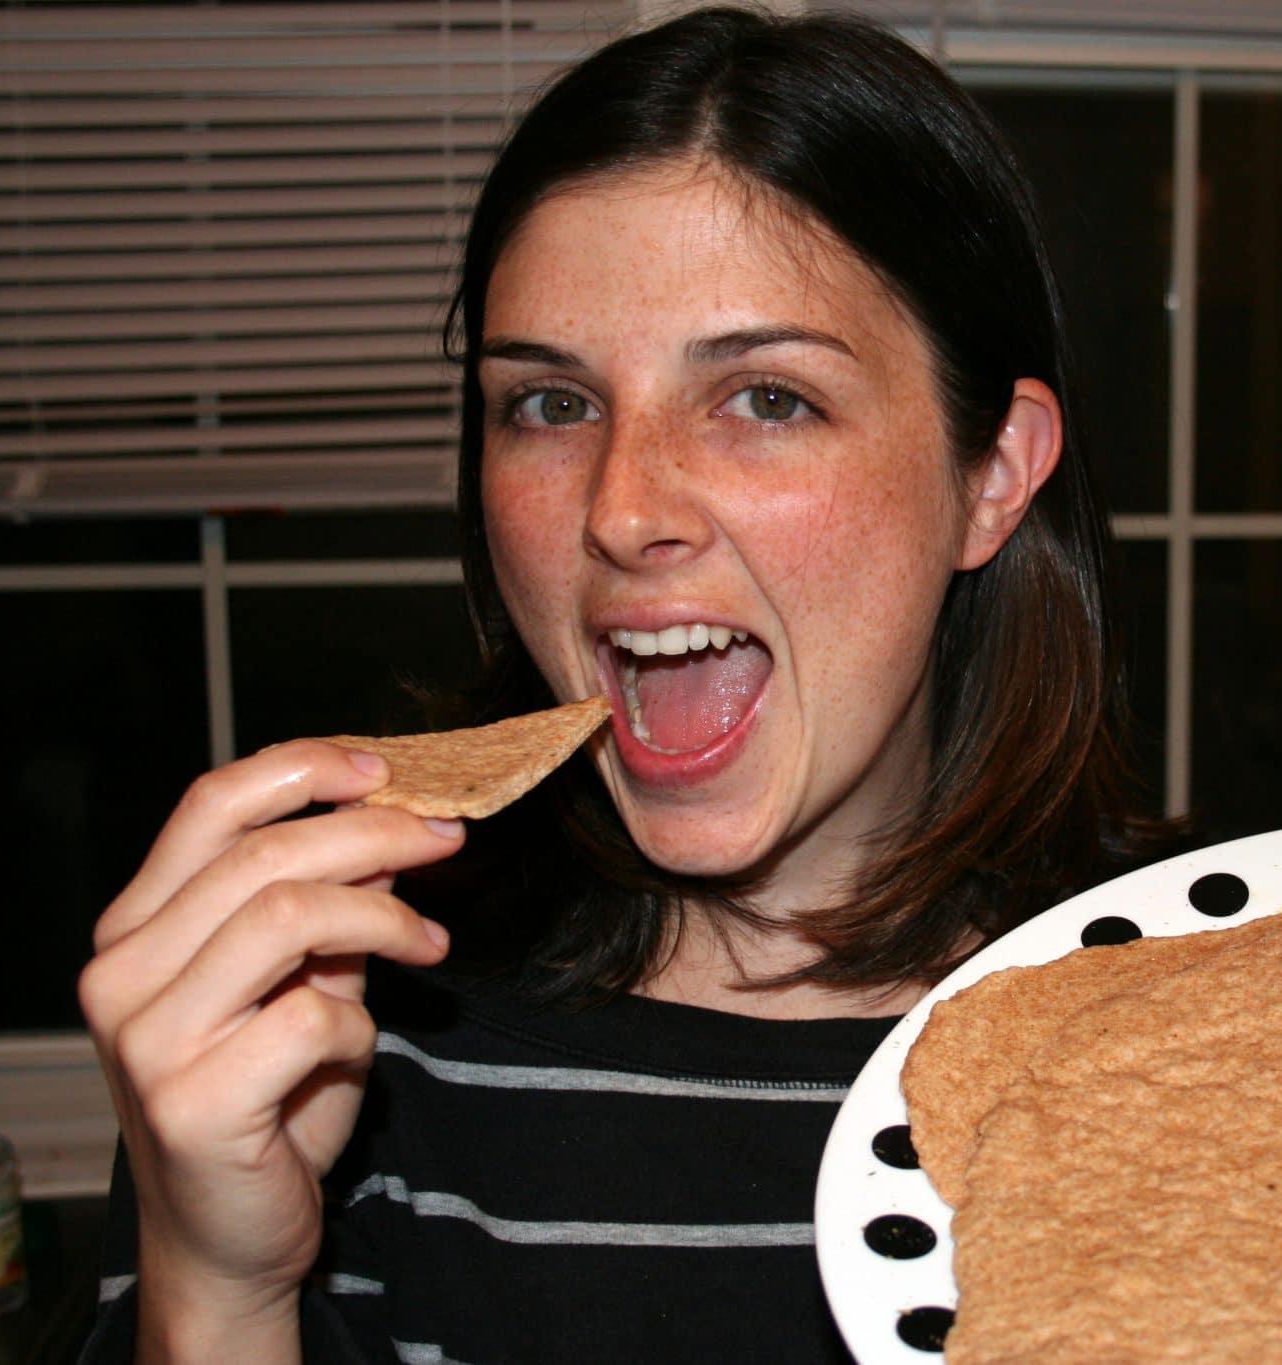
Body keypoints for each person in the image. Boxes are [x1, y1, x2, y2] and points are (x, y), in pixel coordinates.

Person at [76, 7, 1159, 1361]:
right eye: (550, 404)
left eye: (768, 398)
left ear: (989, 477)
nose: (622, 509)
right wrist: (217, 1284)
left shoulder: (1205, 1024)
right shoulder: (327, 1050)